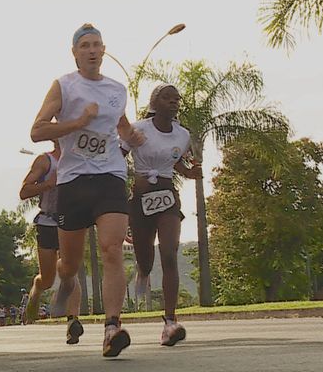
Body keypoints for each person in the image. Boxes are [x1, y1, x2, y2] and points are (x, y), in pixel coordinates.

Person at [30, 23, 144, 357]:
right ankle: (59, 288)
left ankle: (112, 328)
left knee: (111, 249)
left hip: (109, 176)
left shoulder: (116, 89)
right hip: (73, 182)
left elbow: (121, 126)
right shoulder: (64, 86)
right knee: (69, 266)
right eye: (85, 45)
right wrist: (78, 123)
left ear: (104, 50)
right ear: (75, 52)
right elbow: (37, 130)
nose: (92, 50)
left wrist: (133, 137)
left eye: (97, 45)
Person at [123, 83, 202, 346]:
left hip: (167, 198)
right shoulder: (138, 129)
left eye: (176, 99)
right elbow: (119, 156)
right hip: (141, 199)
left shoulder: (183, 135)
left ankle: (170, 321)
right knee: (146, 258)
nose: (173, 102)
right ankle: (143, 271)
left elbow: (176, 160)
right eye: (167, 98)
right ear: (154, 104)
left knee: (169, 253)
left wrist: (189, 172)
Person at [19, 139, 83, 344]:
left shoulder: (83, 159)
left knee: (71, 268)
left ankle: (73, 321)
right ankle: (37, 288)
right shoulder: (45, 161)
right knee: (47, 279)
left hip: (71, 218)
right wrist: (48, 183)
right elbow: (24, 191)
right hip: (48, 221)